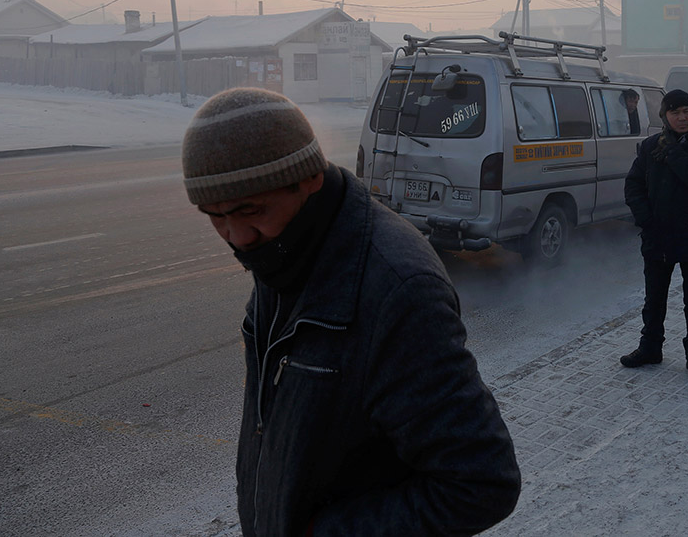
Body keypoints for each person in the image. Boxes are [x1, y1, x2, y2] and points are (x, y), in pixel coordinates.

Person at [181, 88, 520, 537]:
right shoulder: (285, 249)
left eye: (250, 210)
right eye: (215, 216)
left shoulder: (396, 289)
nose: (236, 236)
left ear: (308, 179)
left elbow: (479, 482)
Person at [621, 89, 688, 381]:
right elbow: (633, 185)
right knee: (654, 300)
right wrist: (646, 220)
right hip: (659, 236)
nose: (682, 117)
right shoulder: (651, 146)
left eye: (687, 111)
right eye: (675, 112)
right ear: (664, 116)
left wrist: (674, 151)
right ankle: (650, 348)